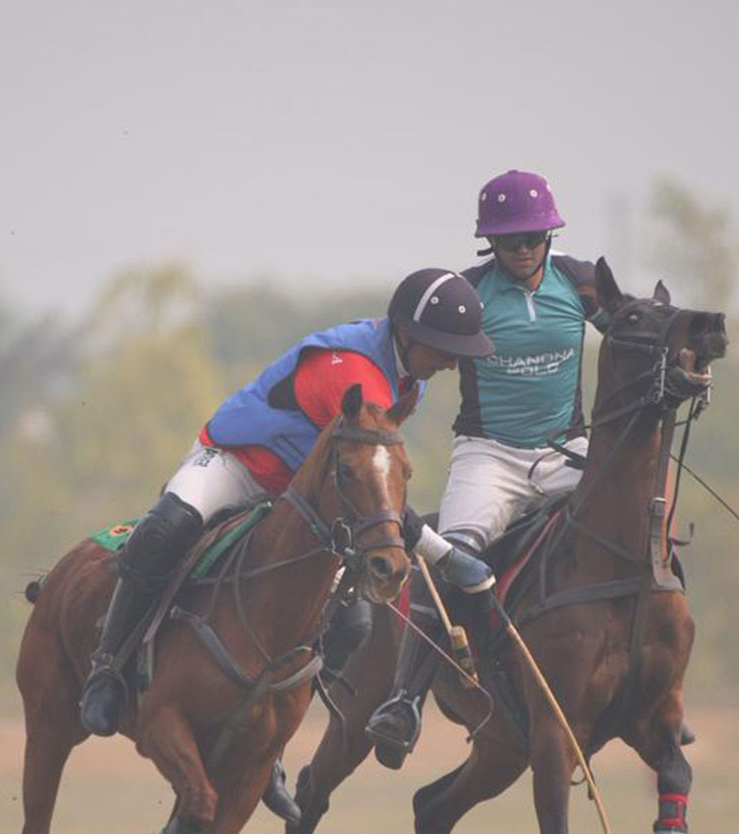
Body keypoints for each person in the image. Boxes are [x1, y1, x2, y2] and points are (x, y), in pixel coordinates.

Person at [77, 268, 499, 743]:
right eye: (444, 351)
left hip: (300, 497)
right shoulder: (354, 373)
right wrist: (445, 555)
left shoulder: (408, 377)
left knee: (351, 623)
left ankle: (267, 739)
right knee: (165, 531)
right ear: (408, 333)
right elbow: (373, 487)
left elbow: (369, 486)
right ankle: (107, 670)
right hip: (239, 463)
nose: (448, 363)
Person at [366, 170, 611, 765]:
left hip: (564, 450)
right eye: (509, 240)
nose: (522, 250)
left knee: (626, 529)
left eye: (531, 237)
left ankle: (648, 681)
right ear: (490, 244)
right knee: (451, 555)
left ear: (549, 234)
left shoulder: (580, 285)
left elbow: (630, 331)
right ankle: (404, 701)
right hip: (489, 454)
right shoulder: (471, 294)